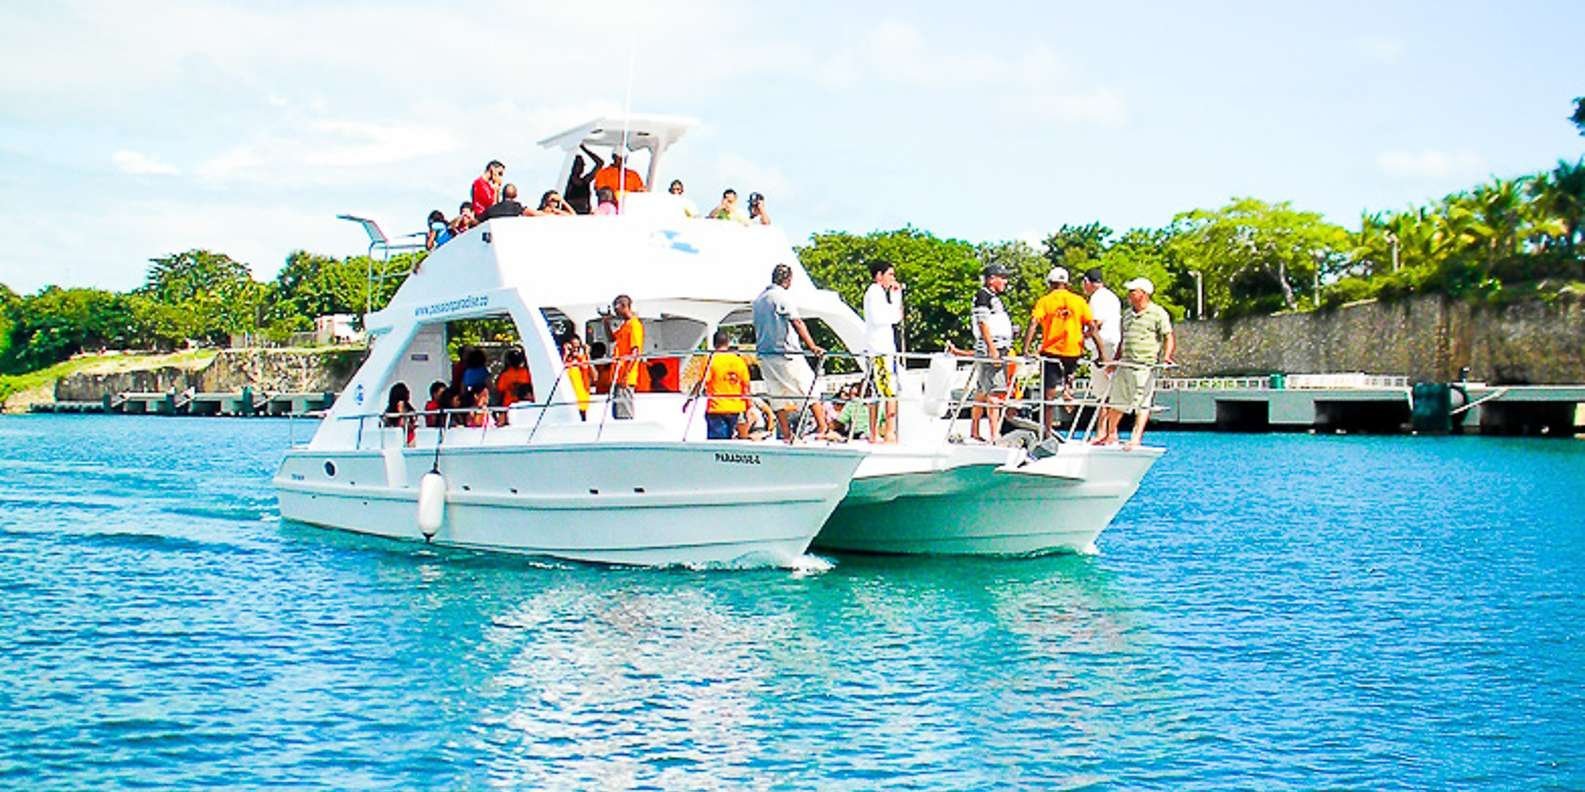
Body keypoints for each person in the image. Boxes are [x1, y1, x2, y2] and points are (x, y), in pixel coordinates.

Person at [752, 264, 830, 442]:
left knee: (776, 393)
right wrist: (812, 346)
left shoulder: (758, 300)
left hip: (765, 355)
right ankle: (822, 427)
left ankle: (786, 434)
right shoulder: (781, 297)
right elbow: (797, 322)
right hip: (786, 354)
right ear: (787, 280)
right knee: (809, 388)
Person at [1097, 277, 1175, 449]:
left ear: (1144, 294)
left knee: (1142, 403)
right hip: (1125, 363)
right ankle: (1110, 435)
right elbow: (1123, 340)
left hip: (1144, 365)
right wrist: (1115, 361)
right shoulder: (1126, 315)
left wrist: (1167, 357)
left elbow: (1168, 336)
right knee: (1116, 401)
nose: (1129, 294)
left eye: (1133, 291)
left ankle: (1135, 438)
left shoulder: (1158, 313)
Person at [1022, 266, 1097, 435]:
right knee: (1068, 379)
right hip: (1073, 351)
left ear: (1050, 283)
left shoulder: (1045, 301)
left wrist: (1026, 349)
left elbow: (1034, 322)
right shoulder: (1079, 301)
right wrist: (1086, 340)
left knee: (1048, 395)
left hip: (1052, 352)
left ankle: (1047, 431)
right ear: (1067, 283)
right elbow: (1092, 326)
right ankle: (1068, 392)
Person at [968, 263, 1014, 443]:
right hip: (991, 348)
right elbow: (982, 323)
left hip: (996, 346)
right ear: (991, 279)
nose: (1005, 281)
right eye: (1002, 277)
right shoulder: (983, 296)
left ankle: (975, 430)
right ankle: (995, 434)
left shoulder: (992, 297)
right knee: (995, 391)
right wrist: (992, 349)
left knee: (983, 390)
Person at [861, 260, 903, 443]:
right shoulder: (875, 292)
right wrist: (896, 298)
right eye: (890, 274)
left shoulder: (877, 293)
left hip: (876, 348)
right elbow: (889, 318)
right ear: (879, 275)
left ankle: (874, 433)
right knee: (889, 391)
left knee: (876, 391)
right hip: (881, 349)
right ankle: (889, 432)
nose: (893, 279)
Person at [684, 331, 751, 439]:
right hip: (735, 408)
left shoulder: (711, 360)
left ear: (714, 344)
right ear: (728, 343)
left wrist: (689, 400)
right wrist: (748, 407)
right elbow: (746, 387)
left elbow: (701, 383)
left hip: (716, 408)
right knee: (730, 441)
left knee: (718, 443)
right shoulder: (739, 361)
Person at [1082, 268, 1123, 399]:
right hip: (1113, 345)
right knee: (1109, 390)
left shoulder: (1097, 297)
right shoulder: (1112, 296)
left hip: (1102, 348)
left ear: (1086, 281)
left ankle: (1103, 420)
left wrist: (1081, 337)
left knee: (1102, 393)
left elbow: (1096, 323)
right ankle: (1104, 420)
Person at [601, 295, 643, 419]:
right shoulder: (625, 325)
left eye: (617, 308)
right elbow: (611, 338)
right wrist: (606, 322)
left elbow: (635, 352)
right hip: (618, 375)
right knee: (617, 411)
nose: (615, 312)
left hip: (625, 376)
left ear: (624, 306)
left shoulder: (634, 325)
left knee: (625, 411)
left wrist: (626, 375)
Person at [562, 337, 595, 420]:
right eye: (573, 347)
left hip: (582, 400)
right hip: (569, 400)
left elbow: (594, 376)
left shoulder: (583, 359)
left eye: (577, 347)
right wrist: (566, 354)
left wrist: (587, 355)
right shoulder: (566, 361)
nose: (575, 350)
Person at [563, 145, 603, 214]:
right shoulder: (566, 182)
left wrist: (584, 149)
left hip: (584, 214)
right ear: (573, 166)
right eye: (579, 164)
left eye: (583, 164)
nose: (582, 167)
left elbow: (600, 163)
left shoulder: (585, 181)